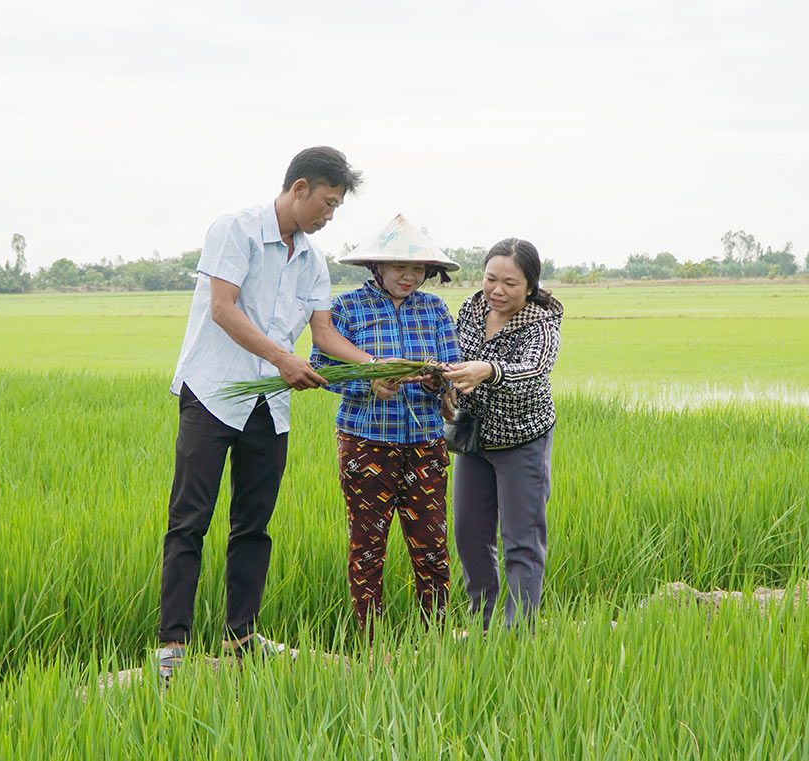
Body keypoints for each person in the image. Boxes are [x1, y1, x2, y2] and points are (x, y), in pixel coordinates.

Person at [156, 147, 374, 679]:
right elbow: (222, 308)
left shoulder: (314, 260)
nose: (329, 215)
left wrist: (377, 367)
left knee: (253, 524)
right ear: (299, 188)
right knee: (190, 520)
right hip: (213, 392)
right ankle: (172, 646)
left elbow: (323, 335)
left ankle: (241, 636)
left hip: (269, 404)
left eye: (337, 207)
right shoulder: (236, 230)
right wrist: (282, 359)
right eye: (327, 202)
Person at [310, 215, 461, 638]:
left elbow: (452, 366)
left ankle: (435, 640)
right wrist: (368, 383)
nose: (409, 276)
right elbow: (322, 369)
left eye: (417, 269)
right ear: (376, 268)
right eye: (398, 267)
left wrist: (438, 380)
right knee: (367, 548)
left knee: (431, 547)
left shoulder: (434, 309)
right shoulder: (346, 307)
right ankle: (371, 643)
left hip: (425, 443)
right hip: (366, 443)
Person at [442, 238, 563, 631]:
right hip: (473, 439)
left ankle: (518, 634)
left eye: (510, 282)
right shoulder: (472, 309)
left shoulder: (541, 324)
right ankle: (482, 624)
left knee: (521, 541)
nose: (497, 290)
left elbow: (532, 371)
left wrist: (488, 371)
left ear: (530, 285)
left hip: (522, 441)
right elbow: (452, 356)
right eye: (490, 278)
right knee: (470, 536)